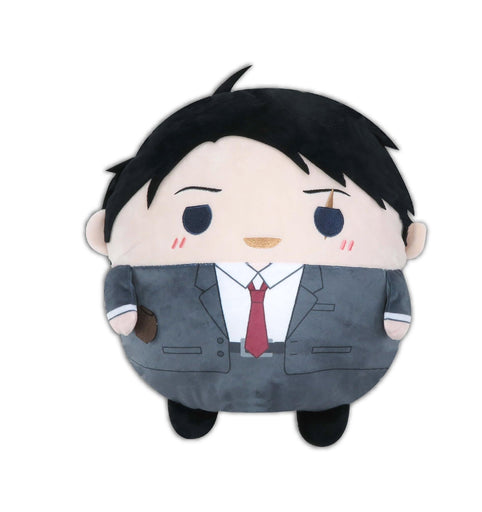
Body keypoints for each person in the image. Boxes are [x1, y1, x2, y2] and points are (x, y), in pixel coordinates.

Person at [85, 66, 426, 446]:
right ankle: (195, 402)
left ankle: (323, 405)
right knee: (189, 391)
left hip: (331, 366)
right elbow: (121, 287)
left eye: (329, 219)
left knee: (327, 391)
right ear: (102, 233)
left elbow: (393, 298)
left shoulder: (366, 279)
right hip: (187, 365)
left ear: (411, 239)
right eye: (196, 215)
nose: (261, 233)